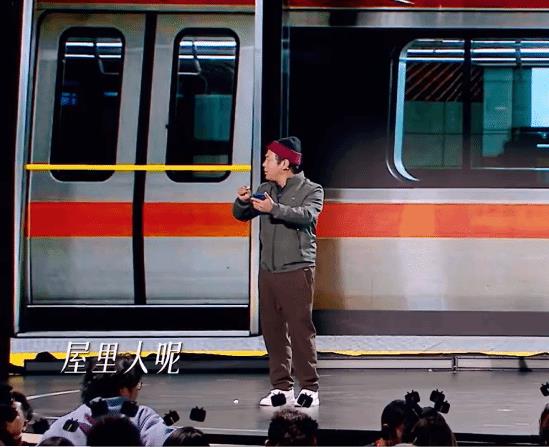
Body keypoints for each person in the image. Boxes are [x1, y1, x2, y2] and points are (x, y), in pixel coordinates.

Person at [233, 136, 324, 407]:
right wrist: (243, 202)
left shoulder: (312, 190)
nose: (264, 164)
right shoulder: (265, 188)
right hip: (268, 271)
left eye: (268, 159)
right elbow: (241, 215)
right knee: (273, 331)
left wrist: (274, 208)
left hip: (297, 268)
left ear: (285, 163)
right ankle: (281, 388)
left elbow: (306, 215)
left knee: (300, 330)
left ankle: (309, 387)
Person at [41, 354, 169, 446]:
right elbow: (166, 440)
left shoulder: (62, 425)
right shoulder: (142, 417)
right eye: (137, 386)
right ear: (124, 390)